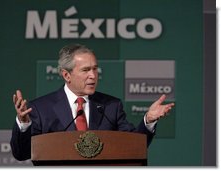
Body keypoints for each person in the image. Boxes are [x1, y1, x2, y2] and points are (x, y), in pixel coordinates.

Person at [10, 44, 175, 161]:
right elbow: (21, 154)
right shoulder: (40, 108)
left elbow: (134, 147)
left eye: (95, 69)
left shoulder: (111, 106)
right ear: (66, 75)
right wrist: (24, 125)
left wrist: (149, 120)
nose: (93, 75)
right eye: (85, 70)